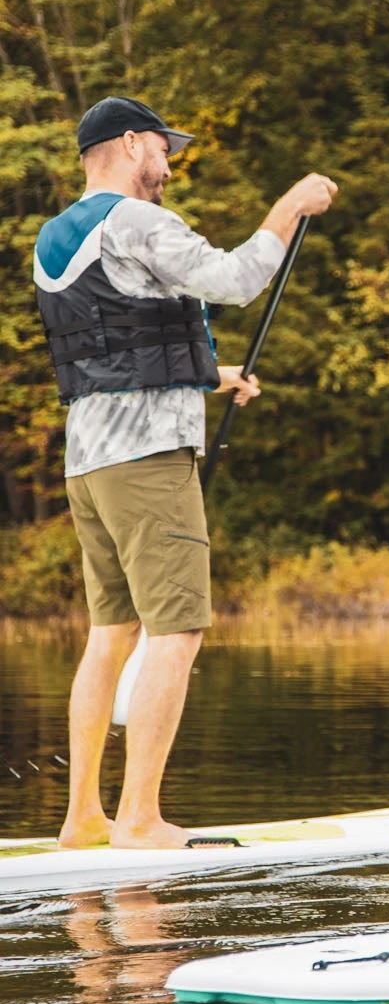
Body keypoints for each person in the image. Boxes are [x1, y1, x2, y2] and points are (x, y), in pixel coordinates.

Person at [33, 96, 338, 848]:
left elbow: (116, 343)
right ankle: (138, 818)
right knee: (177, 631)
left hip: (89, 459)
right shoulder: (137, 220)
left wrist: (209, 373)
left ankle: (82, 820)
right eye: (164, 150)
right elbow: (235, 280)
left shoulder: (53, 236)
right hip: (147, 461)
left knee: (110, 633)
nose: (169, 166)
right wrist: (290, 207)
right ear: (131, 143)